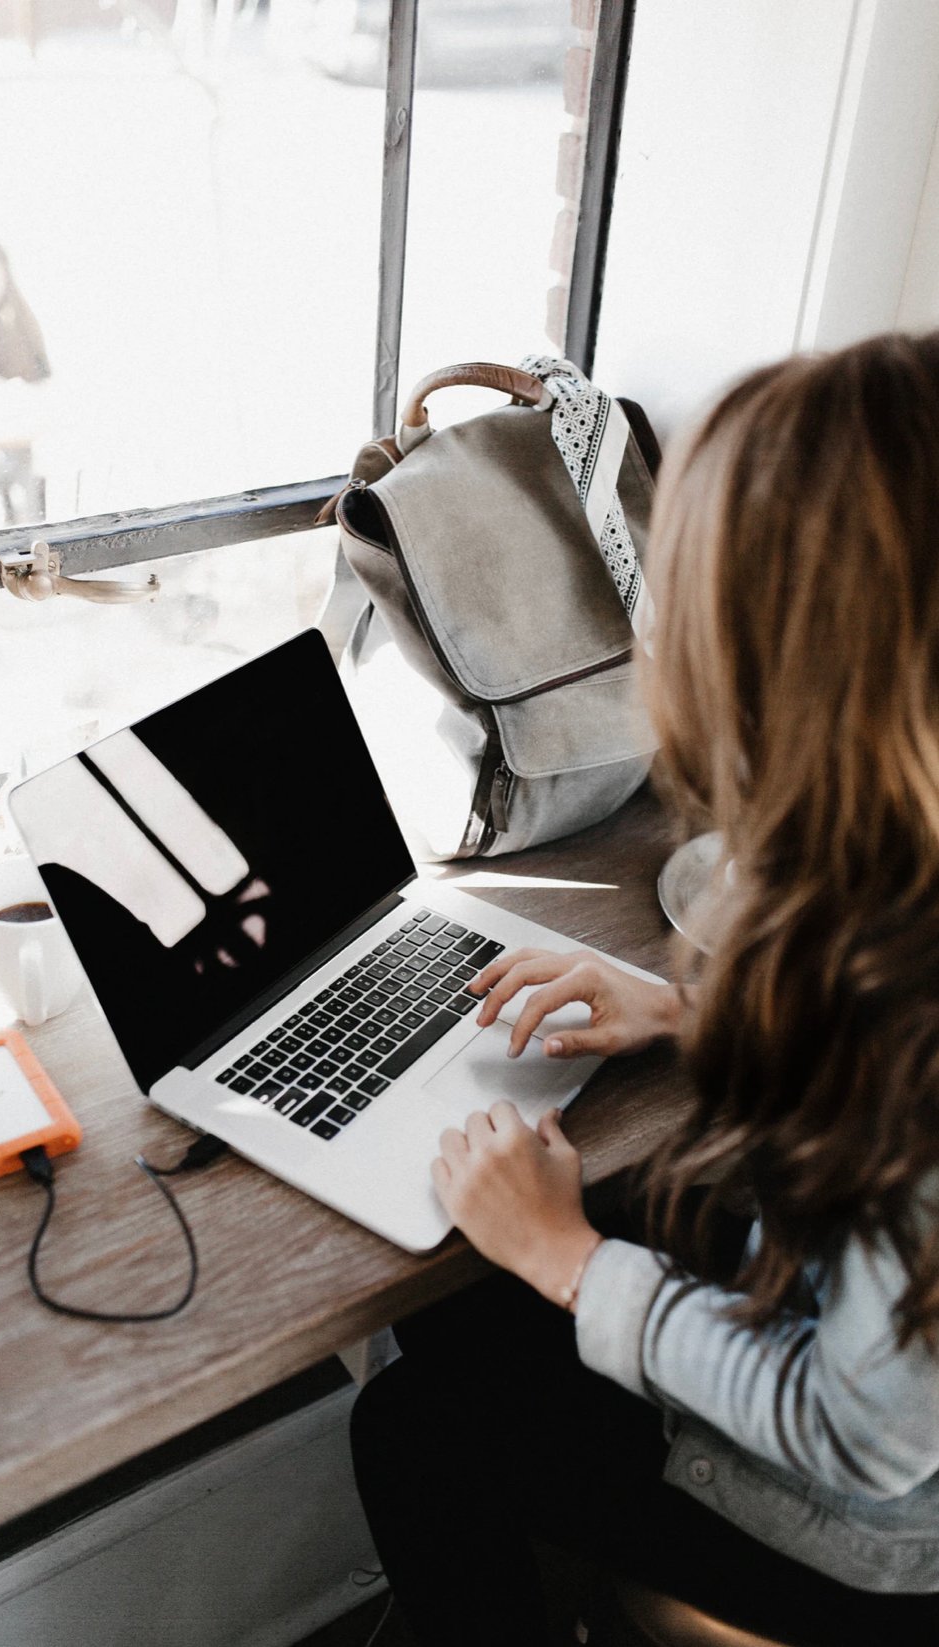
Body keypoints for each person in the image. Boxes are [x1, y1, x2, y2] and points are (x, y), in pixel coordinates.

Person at [349, 331, 939, 1647]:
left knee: (416, 1425)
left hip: (880, 1551)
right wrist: (691, 1010)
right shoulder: (894, 891)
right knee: (461, 1323)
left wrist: (566, 1259)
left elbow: (861, 1439)